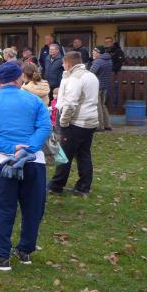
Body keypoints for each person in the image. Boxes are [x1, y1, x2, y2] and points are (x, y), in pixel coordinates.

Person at [0, 62, 51, 270]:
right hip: (34, 161)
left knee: (2, 209)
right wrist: (29, 148)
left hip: (2, 161)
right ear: (18, 78)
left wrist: (11, 148)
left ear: (0, 79)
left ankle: (0, 256)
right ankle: (25, 250)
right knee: (33, 208)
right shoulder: (34, 100)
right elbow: (45, 126)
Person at [48, 52, 100, 196]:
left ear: (68, 63)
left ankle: (56, 185)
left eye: (63, 63)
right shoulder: (90, 76)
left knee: (64, 154)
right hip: (89, 120)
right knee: (84, 154)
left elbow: (70, 103)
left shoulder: (75, 78)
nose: (62, 65)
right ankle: (83, 187)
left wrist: (63, 122)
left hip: (75, 121)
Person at [90, 47, 113, 131]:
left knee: (98, 106)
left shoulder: (98, 61)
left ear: (99, 53)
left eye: (94, 51)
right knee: (103, 105)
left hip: (97, 86)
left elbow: (91, 73)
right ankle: (107, 125)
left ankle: (100, 126)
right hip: (105, 86)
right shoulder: (109, 60)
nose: (92, 53)